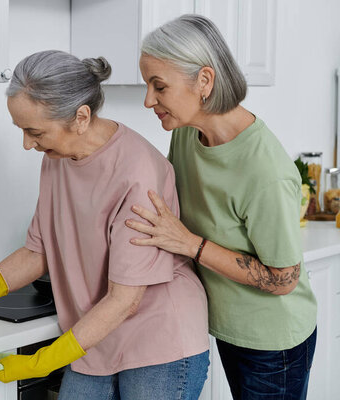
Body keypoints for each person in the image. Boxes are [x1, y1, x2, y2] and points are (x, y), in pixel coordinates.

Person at [0, 50, 210, 399]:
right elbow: (38, 250)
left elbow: (125, 300)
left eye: (34, 131)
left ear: (81, 117)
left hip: (160, 340)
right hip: (95, 334)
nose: (27, 144)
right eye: (22, 130)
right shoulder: (57, 157)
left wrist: (42, 362)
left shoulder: (136, 173)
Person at [124, 14, 318, 400]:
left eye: (158, 86)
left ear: (204, 81)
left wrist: (190, 244)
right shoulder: (186, 133)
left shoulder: (265, 169)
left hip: (272, 342)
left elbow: (284, 279)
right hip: (222, 323)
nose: (148, 100)